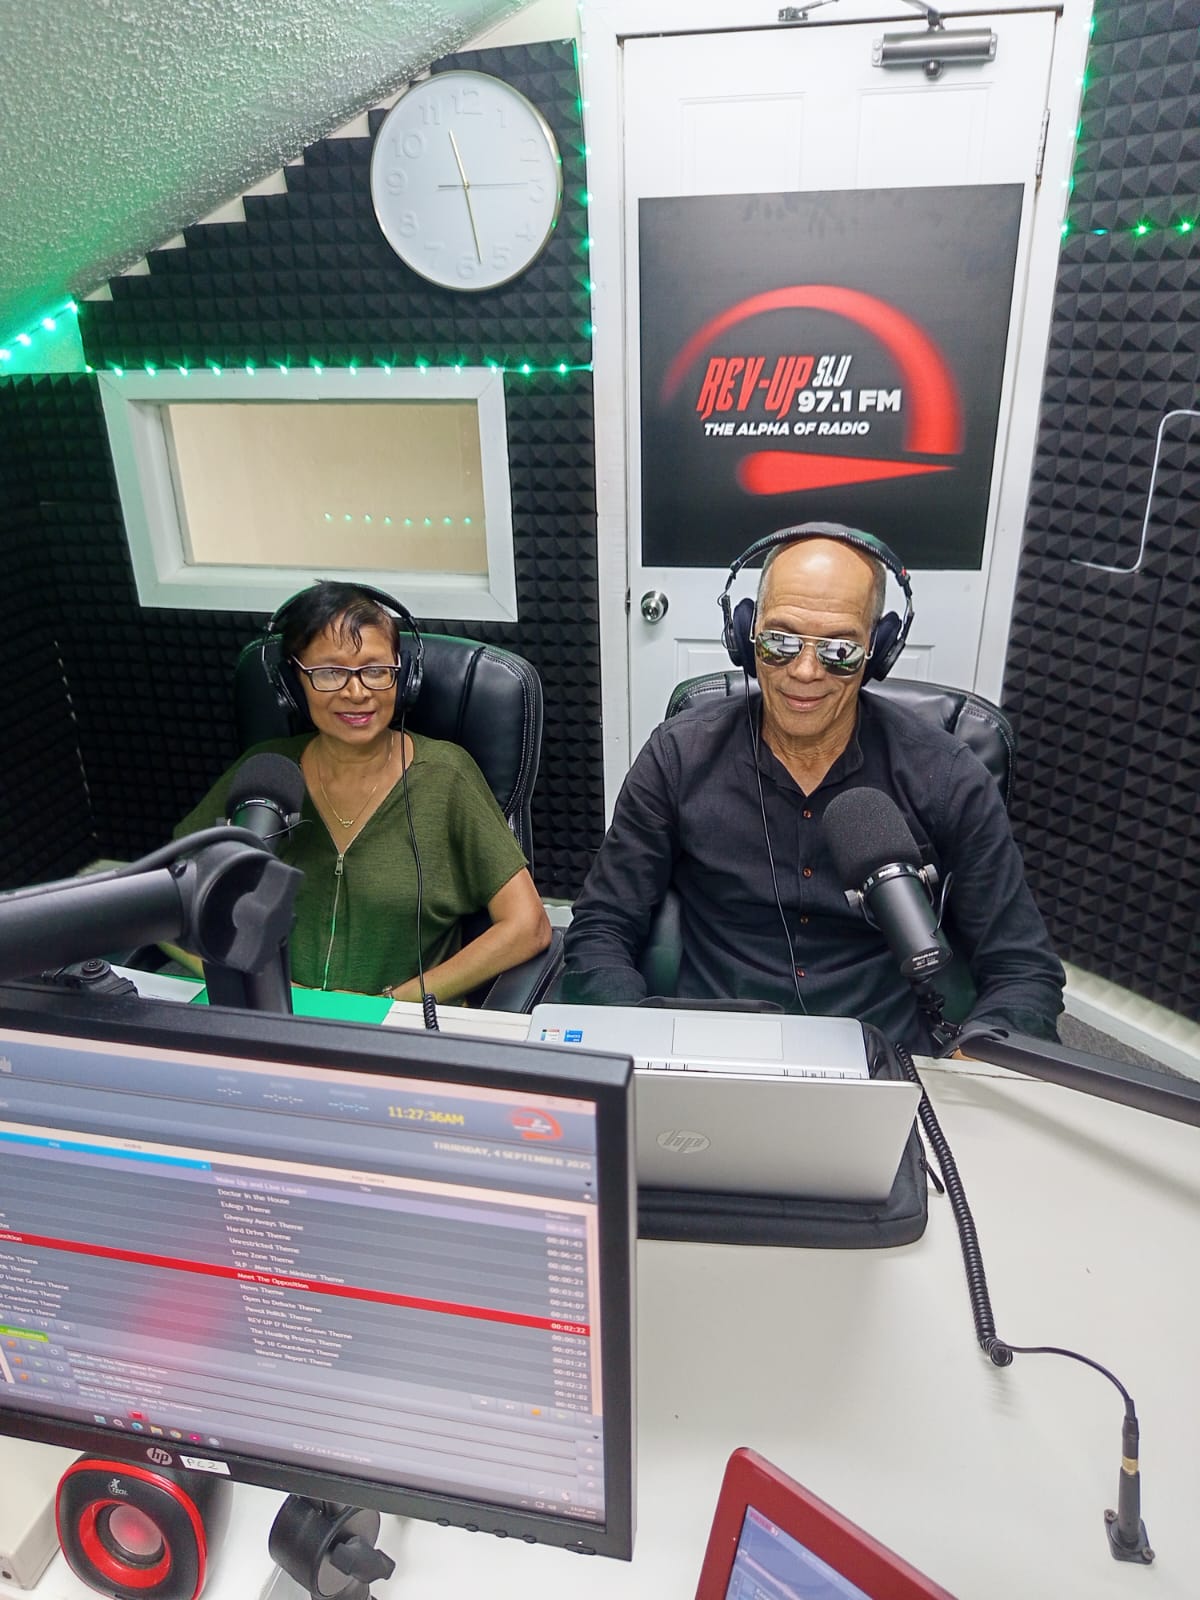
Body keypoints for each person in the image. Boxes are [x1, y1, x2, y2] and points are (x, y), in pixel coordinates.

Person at [562, 526, 1064, 1051]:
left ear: (878, 651)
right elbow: (602, 926)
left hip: (886, 1059)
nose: (804, 671)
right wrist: (635, 1041)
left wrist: (976, 1059)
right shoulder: (678, 756)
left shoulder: (948, 776)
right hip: (710, 1047)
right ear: (745, 634)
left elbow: (1023, 969)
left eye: (839, 649)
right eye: (779, 641)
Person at [173, 582, 551, 1001]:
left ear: (404, 678)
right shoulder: (266, 772)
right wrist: (250, 978)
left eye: (375, 670)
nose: (357, 693)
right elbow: (162, 904)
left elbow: (528, 926)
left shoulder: (447, 777)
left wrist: (393, 1002)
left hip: (397, 1024)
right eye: (330, 673)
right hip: (268, 1016)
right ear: (292, 683)